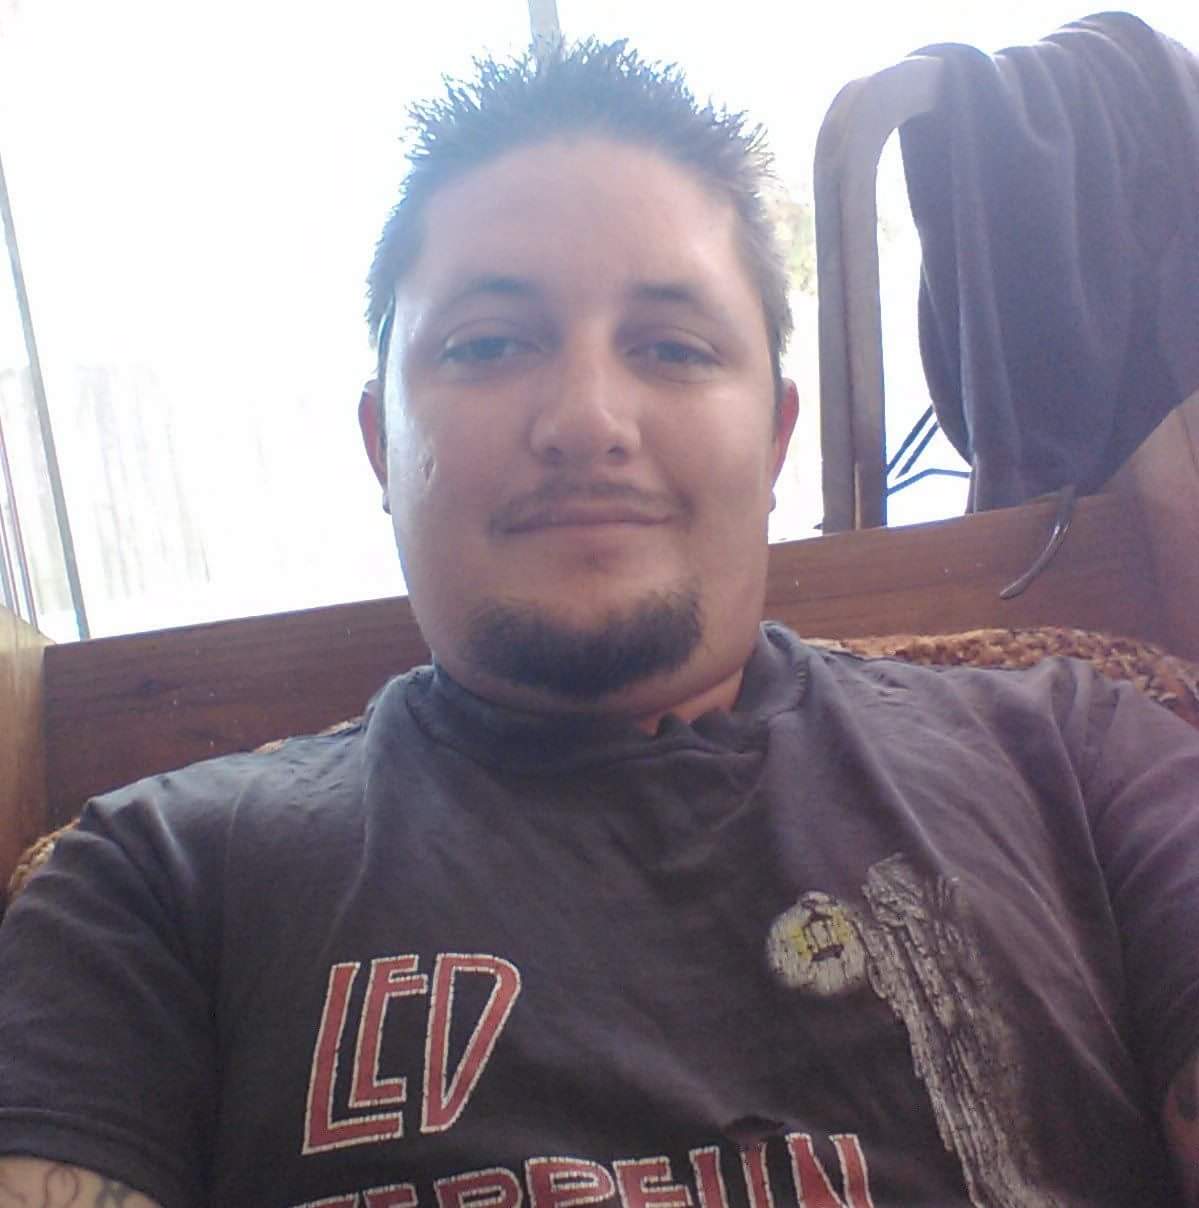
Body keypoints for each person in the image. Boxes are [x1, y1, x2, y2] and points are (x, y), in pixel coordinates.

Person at [2, 38, 1199, 1208]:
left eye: (672, 348)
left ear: (772, 439)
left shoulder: (1087, 760)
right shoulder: (150, 884)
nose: (585, 419)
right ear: (381, 444)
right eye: (487, 343)